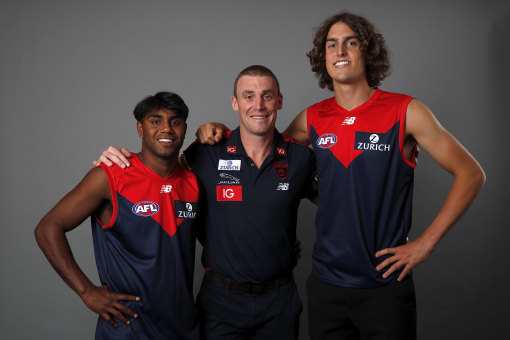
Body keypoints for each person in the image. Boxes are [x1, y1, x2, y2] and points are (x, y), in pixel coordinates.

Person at [194, 12, 486, 340]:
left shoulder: (405, 111)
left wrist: (425, 244)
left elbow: (471, 174)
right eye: (331, 45)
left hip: (384, 284)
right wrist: (217, 131)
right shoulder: (312, 118)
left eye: (351, 42)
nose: (340, 51)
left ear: (369, 51)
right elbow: (266, 160)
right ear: (323, 56)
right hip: (326, 285)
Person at [95, 65, 317, 339]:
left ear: (279, 101)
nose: (258, 105)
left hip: (279, 299)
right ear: (235, 103)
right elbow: (159, 175)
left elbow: (341, 203)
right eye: (248, 96)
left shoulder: (301, 158)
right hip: (221, 301)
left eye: (267, 96)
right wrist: (122, 161)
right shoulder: (205, 152)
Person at [35, 92, 200, 339]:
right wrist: (86, 291)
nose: (166, 128)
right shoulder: (111, 176)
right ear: (140, 128)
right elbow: (48, 227)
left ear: (185, 128)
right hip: (128, 327)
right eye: (155, 121)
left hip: (182, 328)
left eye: (175, 121)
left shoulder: (194, 180)